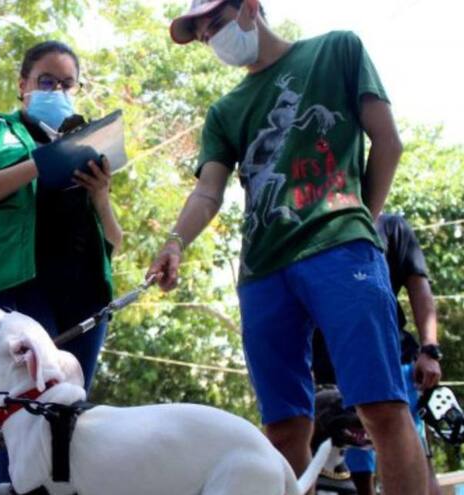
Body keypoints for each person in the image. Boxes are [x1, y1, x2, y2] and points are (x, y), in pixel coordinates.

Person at [148, 1, 428, 493]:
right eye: (204, 34)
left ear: (251, 7)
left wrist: (359, 218)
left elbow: (388, 141)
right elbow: (208, 190)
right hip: (262, 273)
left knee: (381, 407)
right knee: (282, 430)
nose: (213, 38)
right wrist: (175, 242)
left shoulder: (337, 49)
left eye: (216, 23)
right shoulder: (224, 111)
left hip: (341, 251)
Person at [0, 40, 123, 486]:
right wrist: (38, 165)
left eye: (67, 83)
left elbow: (114, 242)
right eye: (46, 80)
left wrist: (100, 196)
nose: (57, 90)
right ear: (23, 85)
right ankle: (8, 486)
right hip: (14, 289)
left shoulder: (83, 142)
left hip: (84, 297)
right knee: (24, 405)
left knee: (69, 411)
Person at [312, 213, 442, 495]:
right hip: (335, 374)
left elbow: (419, 288)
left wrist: (430, 349)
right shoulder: (310, 229)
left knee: (413, 452)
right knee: (356, 467)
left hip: (391, 361)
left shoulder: (391, 226)